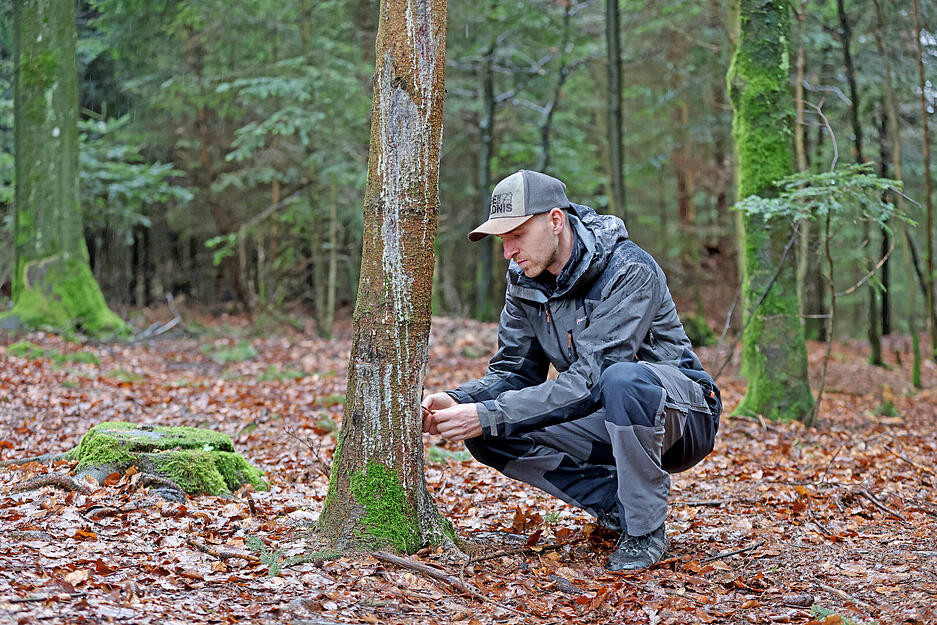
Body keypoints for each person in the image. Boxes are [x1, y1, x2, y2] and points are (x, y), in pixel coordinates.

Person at [422, 170, 721, 571]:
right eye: (502, 240)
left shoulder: (628, 269)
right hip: (604, 417)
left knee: (621, 379)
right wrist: (461, 402)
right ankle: (617, 505)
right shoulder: (525, 282)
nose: (508, 251)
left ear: (555, 220)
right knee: (489, 433)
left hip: (682, 419)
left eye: (517, 235)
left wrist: (488, 412)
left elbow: (595, 377)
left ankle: (645, 530)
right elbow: (514, 372)